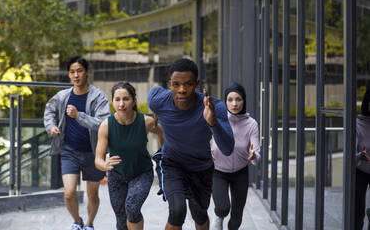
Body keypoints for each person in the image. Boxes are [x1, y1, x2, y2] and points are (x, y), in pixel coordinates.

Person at [147, 58, 234, 230]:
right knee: (177, 211)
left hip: (201, 168)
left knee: (200, 215)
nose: (181, 90)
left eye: (187, 84)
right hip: (172, 164)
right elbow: (154, 92)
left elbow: (227, 148)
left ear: (197, 84)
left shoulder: (214, 107)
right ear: (169, 84)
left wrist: (212, 123)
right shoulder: (158, 100)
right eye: (176, 84)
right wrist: (156, 113)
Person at [44, 56, 110, 230]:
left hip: (93, 153)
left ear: (86, 72)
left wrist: (78, 115)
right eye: (72, 72)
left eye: (79, 71)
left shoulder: (98, 96)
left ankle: (89, 224)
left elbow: (102, 123)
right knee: (69, 193)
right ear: (69, 74)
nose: (76, 75)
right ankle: (77, 222)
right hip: (69, 151)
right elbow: (49, 110)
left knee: (92, 194)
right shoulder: (63, 96)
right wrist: (51, 126)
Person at [95, 82, 164, 230]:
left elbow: (161, 132)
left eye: (126, 99)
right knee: (121, 219)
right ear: (112, 101)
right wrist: (104, 165)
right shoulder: (106, 125)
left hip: (141, 173)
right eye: (117, 99)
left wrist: (164, 152)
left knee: (132, 208)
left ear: (133, 100)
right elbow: (98, 160)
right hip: (116, 176)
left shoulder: (145, 121)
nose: (121, 104)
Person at [211, 82, 260, 230]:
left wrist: (253, 156)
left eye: (238, 99)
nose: (234, 104)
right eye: (230, 99)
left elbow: (256, 154)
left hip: (240, 173)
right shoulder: (217, 119)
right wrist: (205, 151)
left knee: (237, 217)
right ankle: (218, 218)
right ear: (225, 101)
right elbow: (200, 140)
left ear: (244, 101)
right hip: (218, 172)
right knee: (223, 207)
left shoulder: (251, 124)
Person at [355, 88, 370, 230]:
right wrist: (360, 156)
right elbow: (349, 156)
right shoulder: (357, 124)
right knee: (358, 211)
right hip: (360, 170)